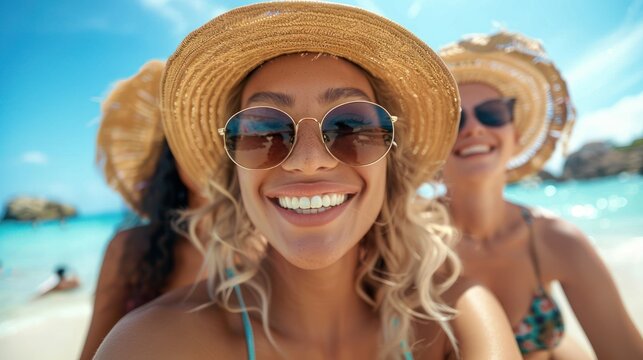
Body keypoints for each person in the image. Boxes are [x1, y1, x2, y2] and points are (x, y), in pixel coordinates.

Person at [95, 2, 522, 359]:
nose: (308, 161)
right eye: (264, 131)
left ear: (391, 161)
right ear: (234, 172)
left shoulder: (460, 325)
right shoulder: (153, 345)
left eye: (352, 126)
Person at [439, 32, 643, 359]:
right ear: (434, 144)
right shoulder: (406, 242)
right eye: (455, 120)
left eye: (492, 113)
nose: (474, 128)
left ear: (515, 136)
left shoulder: (556, 239)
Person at [80, 61, 208, 359]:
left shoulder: (273, 254)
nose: (206, 152)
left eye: (220, 136)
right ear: (170, 156)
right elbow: (92, 352)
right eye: (190, 139)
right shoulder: (129, 250)